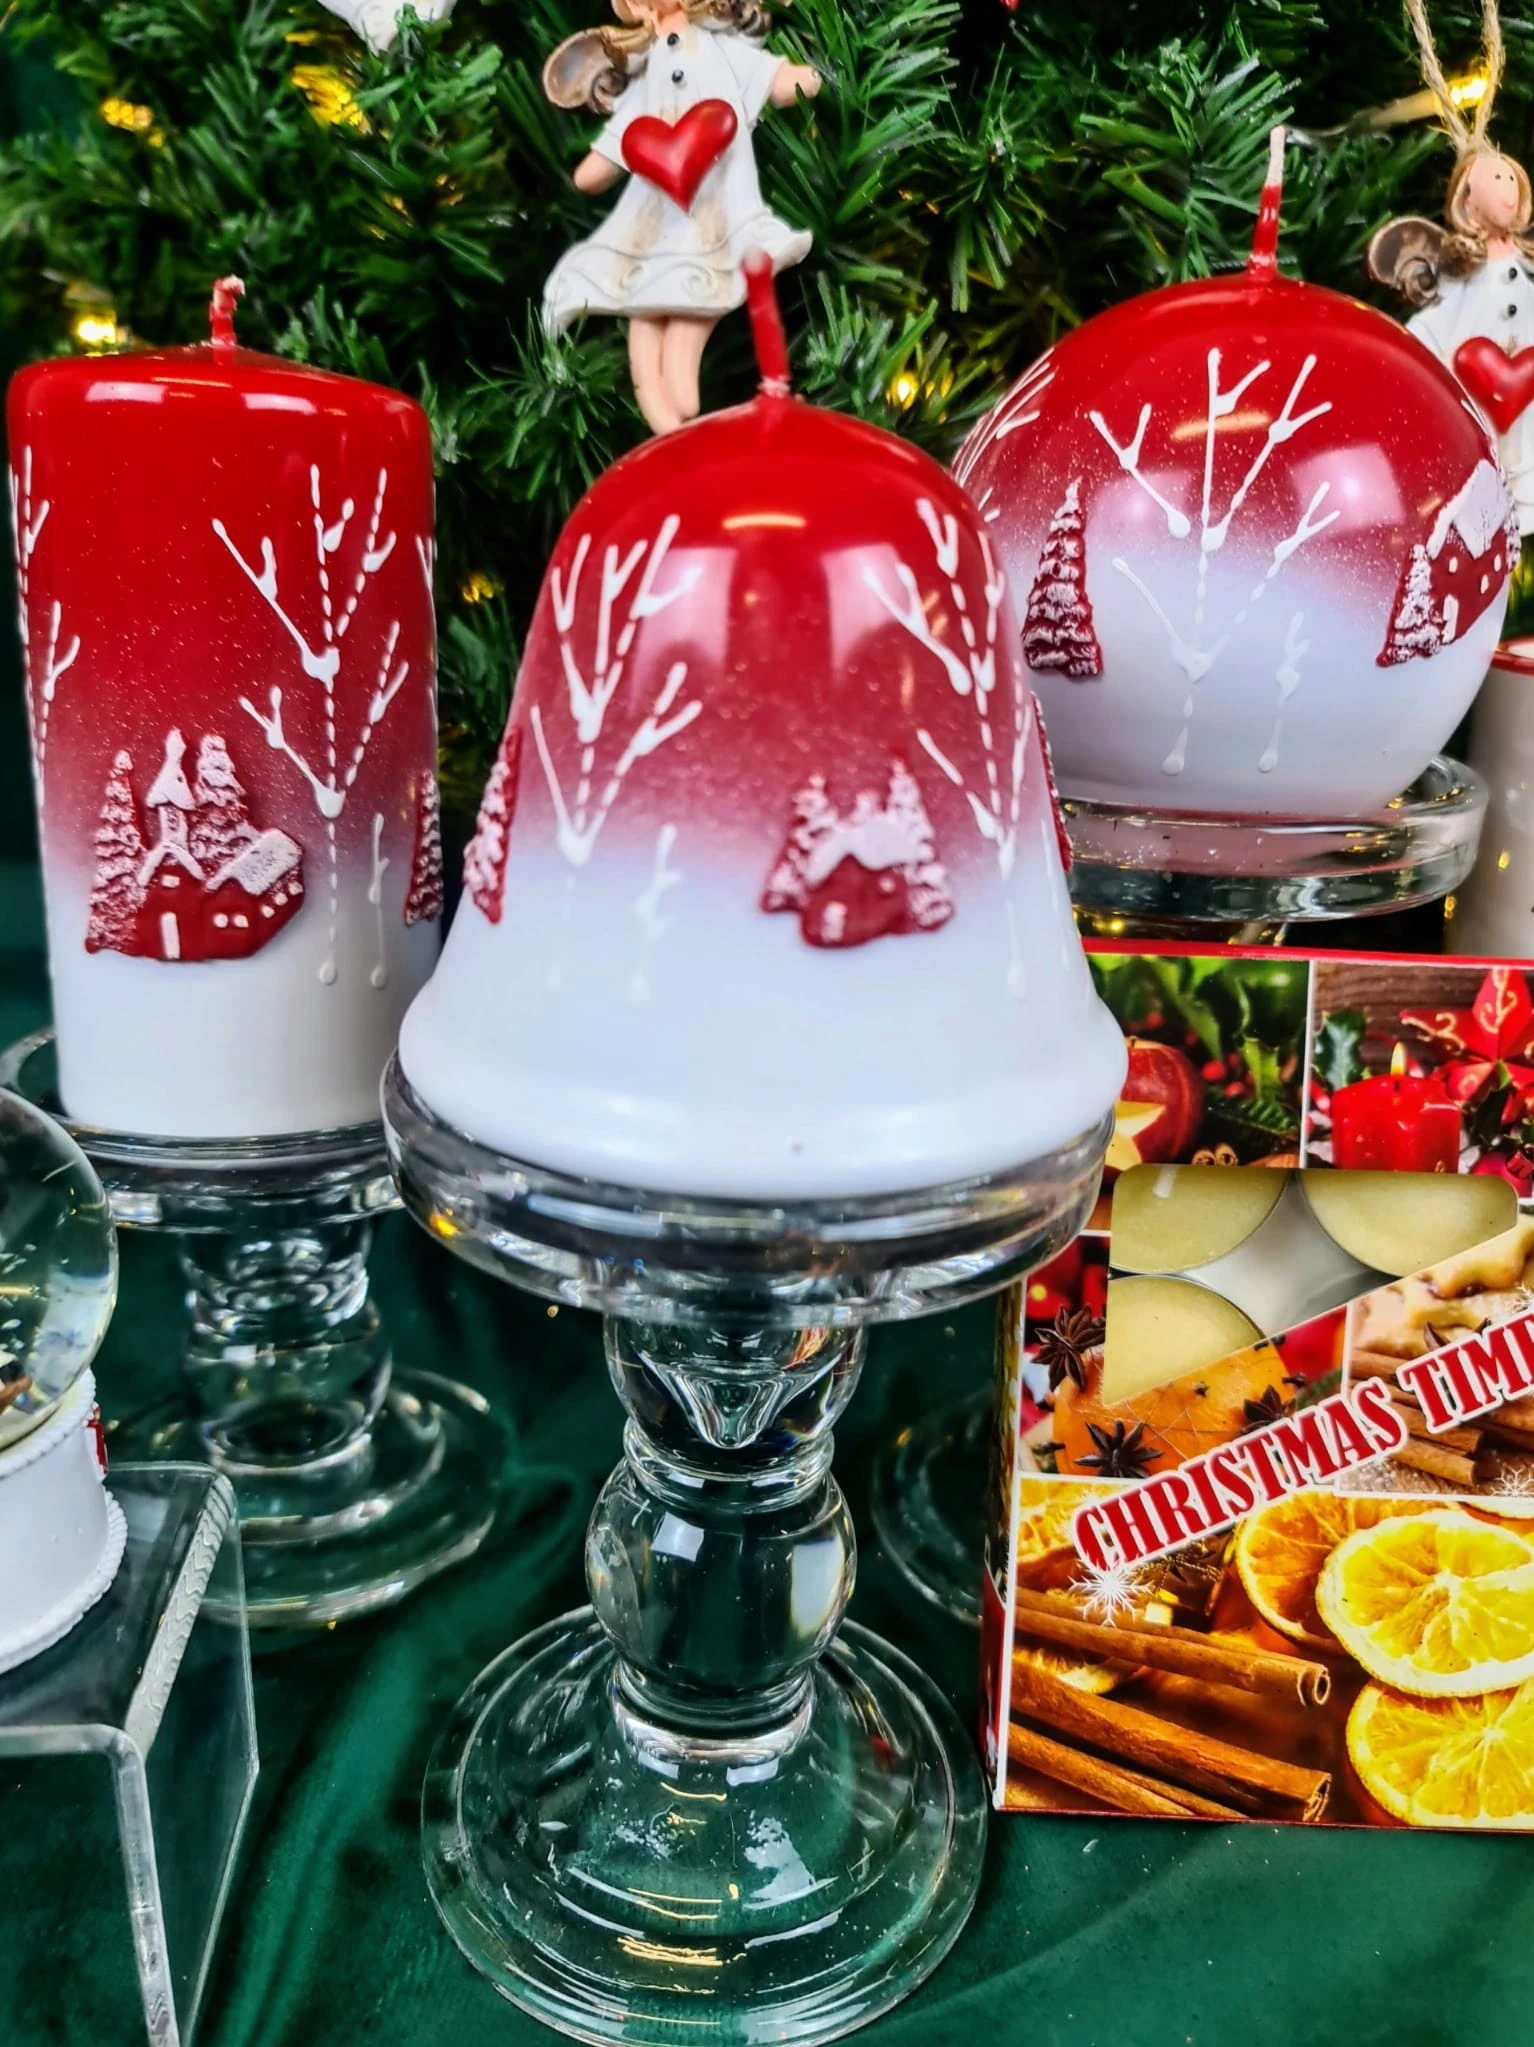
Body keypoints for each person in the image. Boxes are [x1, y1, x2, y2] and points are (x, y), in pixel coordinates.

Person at [542, 0, 820, 434]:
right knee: (645, 310)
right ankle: (665, 419)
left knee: (697, 297)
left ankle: (679, 394)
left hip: (716, 208)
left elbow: (769, 77)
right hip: (655, 214)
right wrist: (600, 162)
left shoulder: (715, 47)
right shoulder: (647, 64)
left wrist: (797, 78)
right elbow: (631, 125)